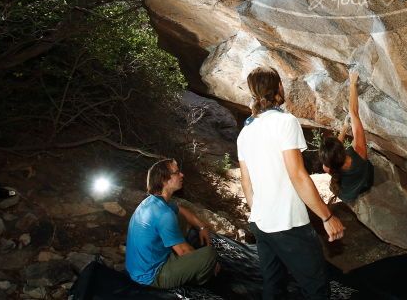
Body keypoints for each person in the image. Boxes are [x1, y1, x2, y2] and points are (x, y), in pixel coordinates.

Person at [237, 67, 345, 300]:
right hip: (288, 223)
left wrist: (260, 214)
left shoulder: (245, 132)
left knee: (273, 286)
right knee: (316, 288)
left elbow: (246, 182)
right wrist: (327, 217)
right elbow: (297, 174)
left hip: (260, 223)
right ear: (278, 89)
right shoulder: (286, 122)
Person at [125, 158, 220, 288]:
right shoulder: (164, 214)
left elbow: (181, 210)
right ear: (164, 180)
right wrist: (210, 263)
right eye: (177, 173)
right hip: (152, 276)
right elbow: (184, 251)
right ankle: (197, 280)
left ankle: (178, 256)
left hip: (139, 267)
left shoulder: (153, 201)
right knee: (209, 254)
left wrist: (202, 227)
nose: (182, 175)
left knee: (179, 217)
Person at [319, 70, 374, 202]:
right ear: (342, 149)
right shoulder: (359, 152)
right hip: (364, 182)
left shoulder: (327, 167)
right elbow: (354, 112)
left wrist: (344, 128)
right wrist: (353, 83)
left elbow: (335, 150)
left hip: (346, 193)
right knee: (367, 170)